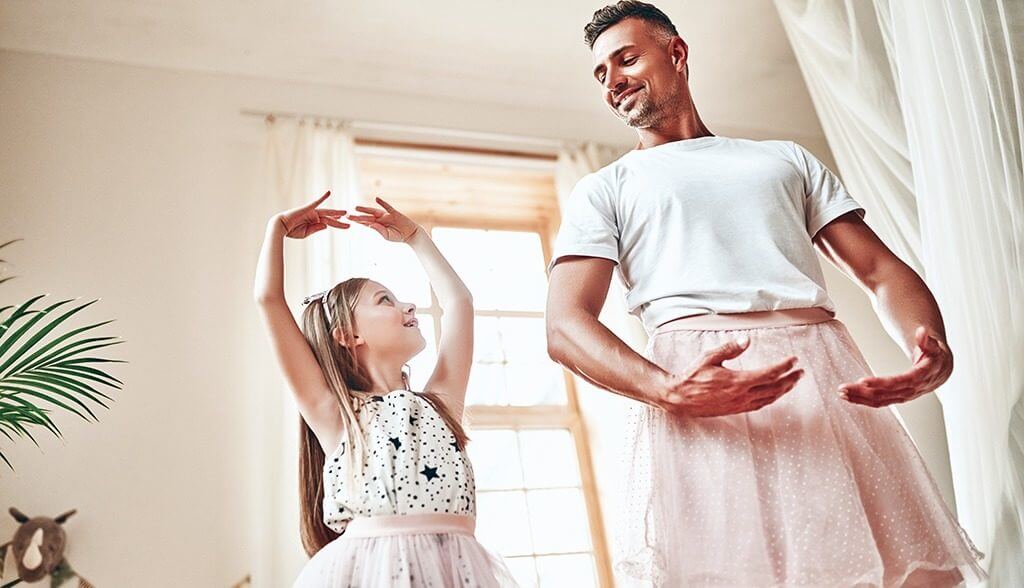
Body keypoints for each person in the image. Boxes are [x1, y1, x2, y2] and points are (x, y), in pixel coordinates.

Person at [545, 2, 988, 586]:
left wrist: (928, 346)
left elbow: (878, 268)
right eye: (600, 73)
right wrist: (668, 390)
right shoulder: (605, 188)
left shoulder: (783, 159)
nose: (613, 81)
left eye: (625, 59)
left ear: (676, 53)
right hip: (705, 390)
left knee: (898, 574)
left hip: (824, 376)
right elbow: (564, 325)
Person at [253, 191, 516, 587]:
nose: (408, 306)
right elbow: (269, 299)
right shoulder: (336, 414)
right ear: (348, 335)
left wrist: (416, 237)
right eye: (385, 301)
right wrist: (278, 229)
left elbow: (459, 301)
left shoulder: (440, 405)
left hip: (455, 571)